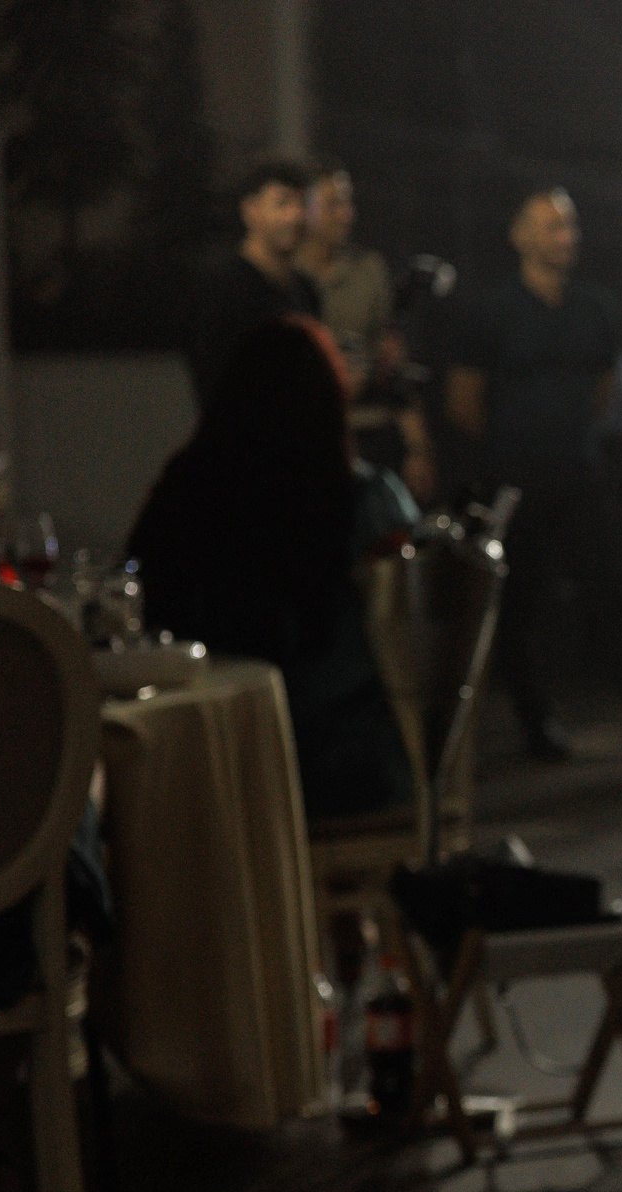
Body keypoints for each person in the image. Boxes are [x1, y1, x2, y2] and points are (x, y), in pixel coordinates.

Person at [447, 187, 622, 762]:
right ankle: (537, 726)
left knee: (613, 592)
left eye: (569, 227)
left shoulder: (594, 307)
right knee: (519, 601)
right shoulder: (491, 310)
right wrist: (513, 445)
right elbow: (464, 401)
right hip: (514, 472)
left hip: (579, 467)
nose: (564, 237)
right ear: (520, 236)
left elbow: (604, 389)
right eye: (550, 227)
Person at [130, 317, 416, 819]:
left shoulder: (187, 488)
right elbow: (414, 629)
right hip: (337, 760)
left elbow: (139, 595)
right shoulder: (364, 498)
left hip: (210, 755)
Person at [297, 156, 435, 501]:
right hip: (307, 437)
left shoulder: (368, 270)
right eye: (333, 204)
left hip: (370, 431)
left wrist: (418, 447)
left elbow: (393, 360)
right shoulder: (288, 279)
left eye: (348, 203)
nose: (346, 214)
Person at [185, 156, 323, 409]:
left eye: (303, 203)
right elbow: (211, 382)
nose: (295, 215)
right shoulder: (222, 287)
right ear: (250, 210)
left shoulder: (307, 291)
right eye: (282, 203)